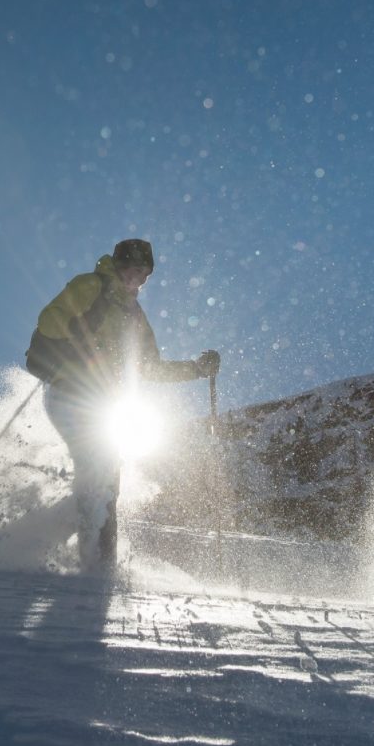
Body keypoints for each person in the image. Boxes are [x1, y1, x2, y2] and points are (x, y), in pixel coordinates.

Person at [27, 239, 220, 573]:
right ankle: (98, 570)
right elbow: (50, 317)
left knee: (105, 482)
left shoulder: (135, 316)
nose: (137, 279)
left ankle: (41, 539)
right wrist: (70, 339)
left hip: (104, 404)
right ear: (118, 266)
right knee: (100, 473)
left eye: (144, 274)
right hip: (70, 390)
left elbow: (150, 368)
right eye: (132, 270)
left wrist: (196, 369)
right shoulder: (92, 285)